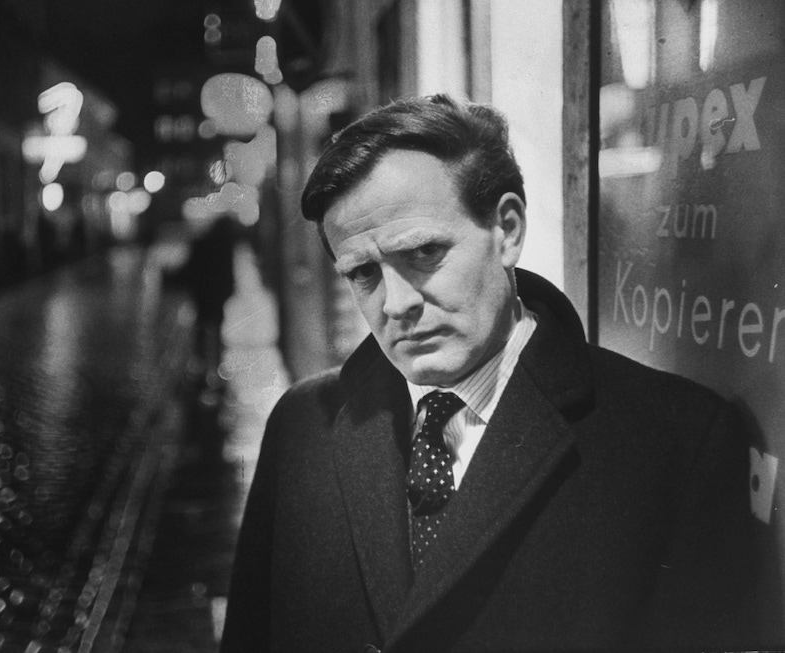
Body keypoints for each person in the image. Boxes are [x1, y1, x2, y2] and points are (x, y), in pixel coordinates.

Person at [220, 95, 772, 652]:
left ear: (507, 231)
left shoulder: (677, 443)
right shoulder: (303, 428)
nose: (396, 304)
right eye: (363, 274)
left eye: (424, 253)